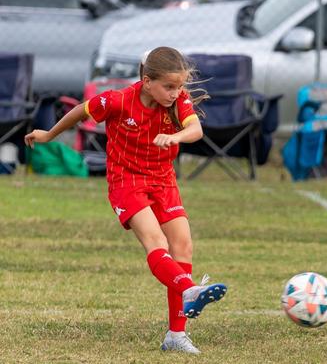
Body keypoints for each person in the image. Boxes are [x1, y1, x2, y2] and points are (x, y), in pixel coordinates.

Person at [24, 46, 228, 354]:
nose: (176, 93)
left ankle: (175, 336)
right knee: (155, 241)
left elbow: (195, 129)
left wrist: (174, 137)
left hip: (162, 179)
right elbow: (82, 110)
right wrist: (50, 134)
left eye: (179, 86)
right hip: (126, 181)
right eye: (169, 87)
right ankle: (188, 290)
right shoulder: (118, 101)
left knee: (183, 244)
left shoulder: (178, 101)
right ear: (147, 81)